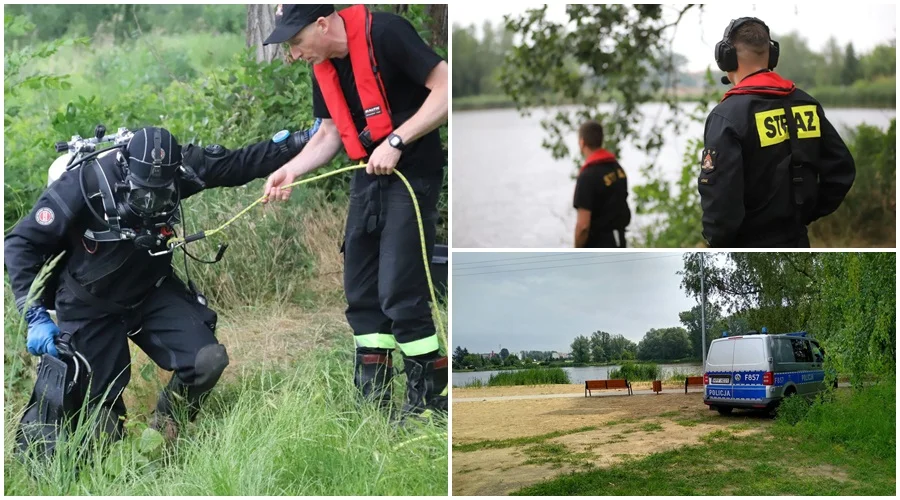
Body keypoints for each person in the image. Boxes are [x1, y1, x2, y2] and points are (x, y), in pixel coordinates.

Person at [6, 124, 317, 451]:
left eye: (162, 192)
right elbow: (20, 243)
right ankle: (107, 464)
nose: (152, 201)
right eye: (143, 193)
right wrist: (35, 315)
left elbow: (240, 163)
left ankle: (162, 434)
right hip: (89, 304)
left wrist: (303, 141)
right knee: (102, 425)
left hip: (150, 291)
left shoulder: (182, 168)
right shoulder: (86, 183)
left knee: (207, 361)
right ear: (126, 173)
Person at [260, 4, 449, 419]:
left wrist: (397, 141)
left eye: (295, 42)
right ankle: (374, 405)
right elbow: (329, 133)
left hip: (411, 173)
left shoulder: (388, 33)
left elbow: (447, 88)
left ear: (322, 24)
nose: (293, 54)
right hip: (368, 174)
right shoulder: (323, 63)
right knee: (361, 290)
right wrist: (289, 170)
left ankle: (430, 405)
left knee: (400, 290)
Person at [700, 17, 856, 247]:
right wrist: (807, 213)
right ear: (771, 55)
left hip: (749, 244)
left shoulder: (727, 117)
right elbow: (842, 170)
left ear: (726, 57)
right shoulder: (807, 104)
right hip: (798, 239)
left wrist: (717, 242)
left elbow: (721, 201)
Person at [572, 120, 631, 248]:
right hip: (619, 241)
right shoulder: (617, 168)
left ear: (582, 143)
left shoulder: (587, 176)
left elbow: (583, 226)